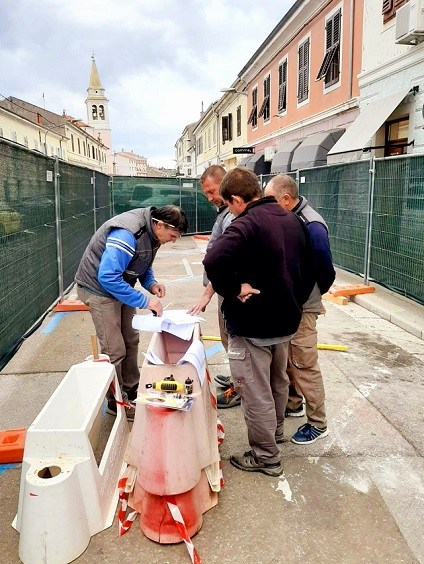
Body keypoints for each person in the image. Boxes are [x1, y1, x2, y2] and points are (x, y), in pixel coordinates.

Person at [203, 167, 315, 476]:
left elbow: (212, 260)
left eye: (228, 204)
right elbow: (310, 269)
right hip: (286, 321)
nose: (229, 210)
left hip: (253, 325)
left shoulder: (245, 224)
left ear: (237, 199)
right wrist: (294, 298)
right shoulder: (292, 219)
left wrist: (233, 289)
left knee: (255, 392)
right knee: (277, 382)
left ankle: (266, 456)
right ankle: (275, 433)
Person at [75, 205, 188, 421]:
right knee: (114, 349)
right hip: (98, 289)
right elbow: (107, 277)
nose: (173, 241)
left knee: (131, 338)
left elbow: (143, 262)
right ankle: (115, 401)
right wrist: (145, 300)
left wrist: (151, 284)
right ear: (161, 224)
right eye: (173, 236)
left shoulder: (153, 233)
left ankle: (132, 387)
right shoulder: (127, 234)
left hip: (119, 284)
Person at [264, 174, 335, 444]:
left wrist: (313, 298)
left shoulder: (312, 225)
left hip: (303, 305)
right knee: (290, 358)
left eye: (271, 200)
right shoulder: (291, 217)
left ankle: (318, 422)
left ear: (285, 199)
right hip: (293, 302)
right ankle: (293, 404)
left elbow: (325, 271)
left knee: (304, 363)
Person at [187, 165, 239, 408]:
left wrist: (207, 293)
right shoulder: (224, 211)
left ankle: (240, 388)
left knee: (235, 341)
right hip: (223, 289)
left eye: (211, 191)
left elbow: (226, 261)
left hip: (230, 290)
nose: (209, 198)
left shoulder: (234, 215)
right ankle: (238, 380)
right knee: (228, 339)